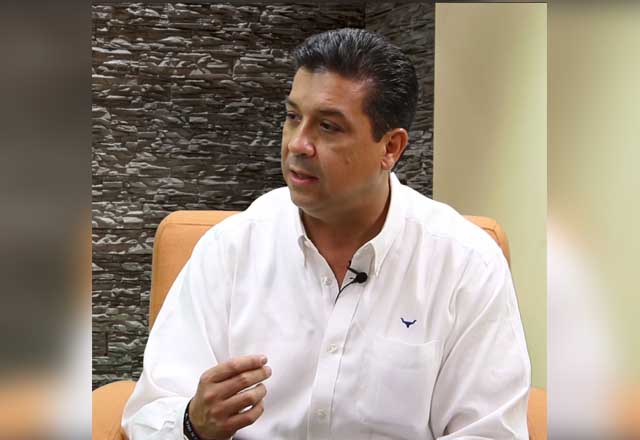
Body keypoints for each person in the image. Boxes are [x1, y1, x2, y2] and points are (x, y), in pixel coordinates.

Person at [122, 28, 531, 440]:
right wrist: (192, 424)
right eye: (292, 117)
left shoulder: (466, 264)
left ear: (390, 148)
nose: (298, 145)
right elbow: (151, 412)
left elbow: (490, 432)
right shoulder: (230, 249)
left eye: (329, 127)